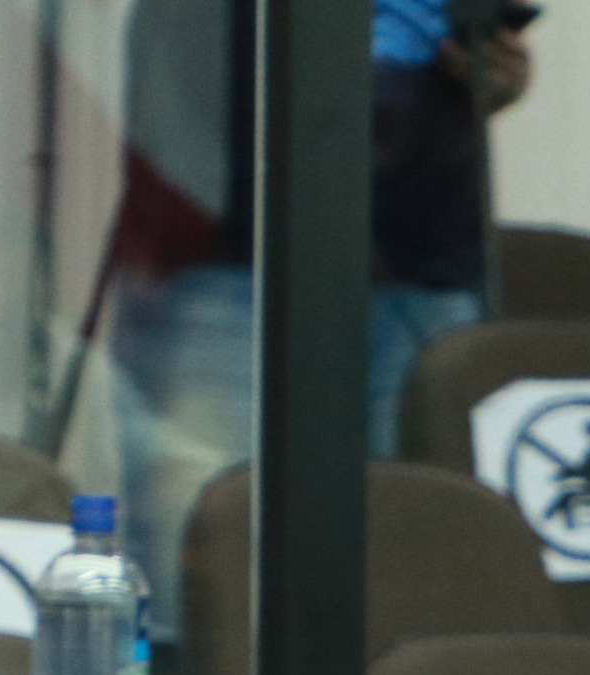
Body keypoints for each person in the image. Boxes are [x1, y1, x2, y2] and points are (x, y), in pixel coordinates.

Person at [107, 0, 536, 638]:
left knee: (421, 567)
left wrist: (492, 64)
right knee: (205, 566)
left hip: (420, 259)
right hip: (233, 253)